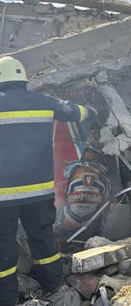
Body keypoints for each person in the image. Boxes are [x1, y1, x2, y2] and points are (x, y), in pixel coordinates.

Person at [0, 56, 97, 306]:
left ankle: (6, 298)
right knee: (42, 238)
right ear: (23, 80)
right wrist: (92, 110)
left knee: (3, 245)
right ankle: (53, 286)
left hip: (3, 197)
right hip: (39, 193)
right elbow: (74, 112)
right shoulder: (43, 102)